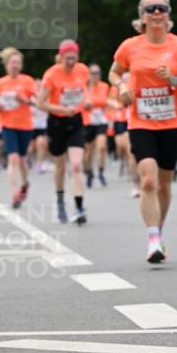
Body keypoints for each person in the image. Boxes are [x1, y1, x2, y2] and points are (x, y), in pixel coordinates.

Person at [109, 0, 177, 263]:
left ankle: (159, 232)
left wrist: (174, 80)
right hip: (141, 121)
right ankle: (152, 241)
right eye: (151, 9)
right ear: (142, 16)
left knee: (163, 184)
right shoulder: (130, 46)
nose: (157, 13)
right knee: (148, 180)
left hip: (173, 122)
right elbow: (114, 72)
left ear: (168, 14)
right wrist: (122, 84)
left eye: (161, 8)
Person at [37, 40, 90, 224]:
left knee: (76, 164)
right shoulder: (51, 74)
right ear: (60, 57)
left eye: (73, 57)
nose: (70, 61)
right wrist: (60, 108)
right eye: (67, 58)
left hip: (75, 121)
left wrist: (86, 100)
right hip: (56, 123)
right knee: (60, 165)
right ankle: (60, 200)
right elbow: (40, 103)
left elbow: (86, 88)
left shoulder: (82, 70)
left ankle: (79, 207)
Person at [0, 48, 37, 208]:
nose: (15, 65)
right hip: (7, 125)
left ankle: (25, 183)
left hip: (25, 125)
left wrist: (23, 99)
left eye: (18, 62)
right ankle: (15, 195)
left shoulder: (28, 81)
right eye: (12, 62)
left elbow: (37, 102)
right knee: (13, 159)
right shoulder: (0, 83)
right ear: (6, 64)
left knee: (23, 160)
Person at [83, 64, 110, 187]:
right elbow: (79, 103)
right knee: (89, 151)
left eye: (97, 73)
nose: (95, 76)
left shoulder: (104, 86)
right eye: (93, 73)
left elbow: (104, 101)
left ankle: (100, 171)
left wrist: (93, 103)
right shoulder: (83, 88)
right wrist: (85, 104)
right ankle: (89, 172)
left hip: (101, 121)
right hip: (88, 121)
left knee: (101, 147)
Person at [29, 80, 50, 173]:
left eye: (40, 85)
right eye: (36, 85)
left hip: (42, 125)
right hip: (30, 125)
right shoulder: (29, 97)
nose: (38, 87)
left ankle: (39, 164)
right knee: (31, 147)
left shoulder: (46, 97)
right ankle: (28, 159)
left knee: (41, 144)